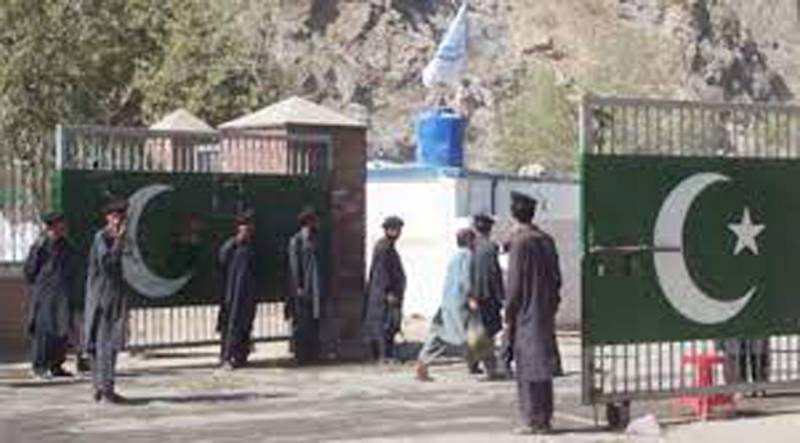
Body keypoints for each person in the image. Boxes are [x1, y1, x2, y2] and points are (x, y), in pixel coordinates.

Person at [505, 191, 562, 435]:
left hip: (526, 313)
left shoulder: (520, 242)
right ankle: (545, 417)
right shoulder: (546, 240)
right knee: (543, 366)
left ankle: (533, 419)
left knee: (528, 367)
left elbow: (515, 284)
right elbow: (557, 278)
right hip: (544, 311)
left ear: (514, 214)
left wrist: (509, 313)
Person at [24, 211, 79, 379]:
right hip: (45, 295)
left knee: (61, 330)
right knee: (44, 331)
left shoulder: (67, 245)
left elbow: (72, 267)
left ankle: (56, 365)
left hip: (62, 294)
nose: (63, 227)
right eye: (59, 224)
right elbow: (29, 271)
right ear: (51, 227)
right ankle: (39, 366)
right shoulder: (40, 246)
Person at [84, 199, 129, 403]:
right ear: (107, 218)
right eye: (114, 216)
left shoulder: (119, 238)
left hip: (114, 297)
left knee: (109, 344)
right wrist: (119, 241)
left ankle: (103, 387)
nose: (118, 220)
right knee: (103, 344)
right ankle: (104, 389)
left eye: (121, 216)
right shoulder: (101, 237)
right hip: (102, 299)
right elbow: (108, 265)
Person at [415, 228, 476, 381]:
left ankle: (423, 363)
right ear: (469, 241)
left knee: (439, 334)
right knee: (475, 331)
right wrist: (471, 297)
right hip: (461, 302)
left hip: (447, 301)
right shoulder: (468, 257)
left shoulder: (454, 258)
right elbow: (466, 279)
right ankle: (488, 367)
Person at [217, 209, 258, 370]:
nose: (247, 230)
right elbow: (221, 260)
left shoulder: (253, 247)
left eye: (249, 227)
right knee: (231, 326)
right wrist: (236, 241)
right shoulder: (231, 245)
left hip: (248, 295)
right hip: (232, 294)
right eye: (244, 227)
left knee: (245, 325)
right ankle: (226, 357)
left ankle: (241, 356)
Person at [363, 216, 406, 361]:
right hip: (383, 295)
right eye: (396, 229)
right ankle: (383, 356)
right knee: (385, 324)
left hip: (386, 294)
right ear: (389, 230)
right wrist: (388, 292)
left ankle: (385, 354)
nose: (399, 232)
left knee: (390, 324)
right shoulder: (384, 247)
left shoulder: (388, 246)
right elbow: (382, 273)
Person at [469, 213, 504, 379]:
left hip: (473, 296)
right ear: (490, 228)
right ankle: (491, 369)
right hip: (488, 296)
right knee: (488, 333)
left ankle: (473, 363)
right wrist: (501, 295)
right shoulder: (491, 247)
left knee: (476, 331)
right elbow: (494, 274)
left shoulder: (472, 246)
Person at [287, 208, 322, 364]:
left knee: (313, 321)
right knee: (301, 323)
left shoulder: (315, 239)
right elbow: (294, 267)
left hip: (314, 287)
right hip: (302, 289)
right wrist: (299, 287)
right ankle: (300, 354)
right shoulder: (296, 241)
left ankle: (312, 354)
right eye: (314, 220)